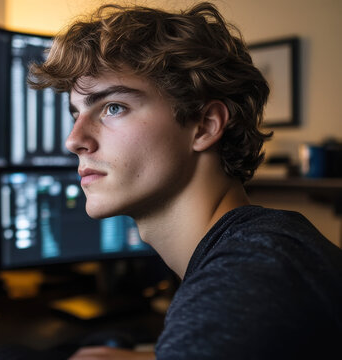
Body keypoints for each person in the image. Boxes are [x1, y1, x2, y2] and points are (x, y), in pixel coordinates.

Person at [29, 2, 342, 359]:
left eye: (113, 107)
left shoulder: (243, 283)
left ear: (205, 126)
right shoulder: (264, 248)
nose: (74, 140)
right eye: (77, 113)